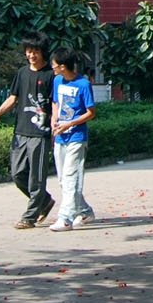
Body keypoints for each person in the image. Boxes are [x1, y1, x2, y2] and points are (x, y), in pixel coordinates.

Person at [0, 35, 57, 228]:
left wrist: (54, 128)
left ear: (43, 52)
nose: (31, 55)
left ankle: (30, 217)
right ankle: (45, 201)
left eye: (35, 51)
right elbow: (13, 98)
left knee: (37, 178)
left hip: (40, 133)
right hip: (21, 131)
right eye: (28, 51)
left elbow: (55, 103)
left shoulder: (51, 75)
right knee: (18, 174)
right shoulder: (22, 73)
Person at [47, 48, 97, 231]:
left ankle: (65, 218)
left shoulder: (83, 84)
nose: (52, 68)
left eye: (54, 65)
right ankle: (84, 211)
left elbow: (91, 112)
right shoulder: (57, 80)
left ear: (62, 66)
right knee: (63, 179)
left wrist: (69, 124)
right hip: (60, 136)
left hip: (77, 136)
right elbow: (55, 102)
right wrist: (54, 120)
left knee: (71, 175)